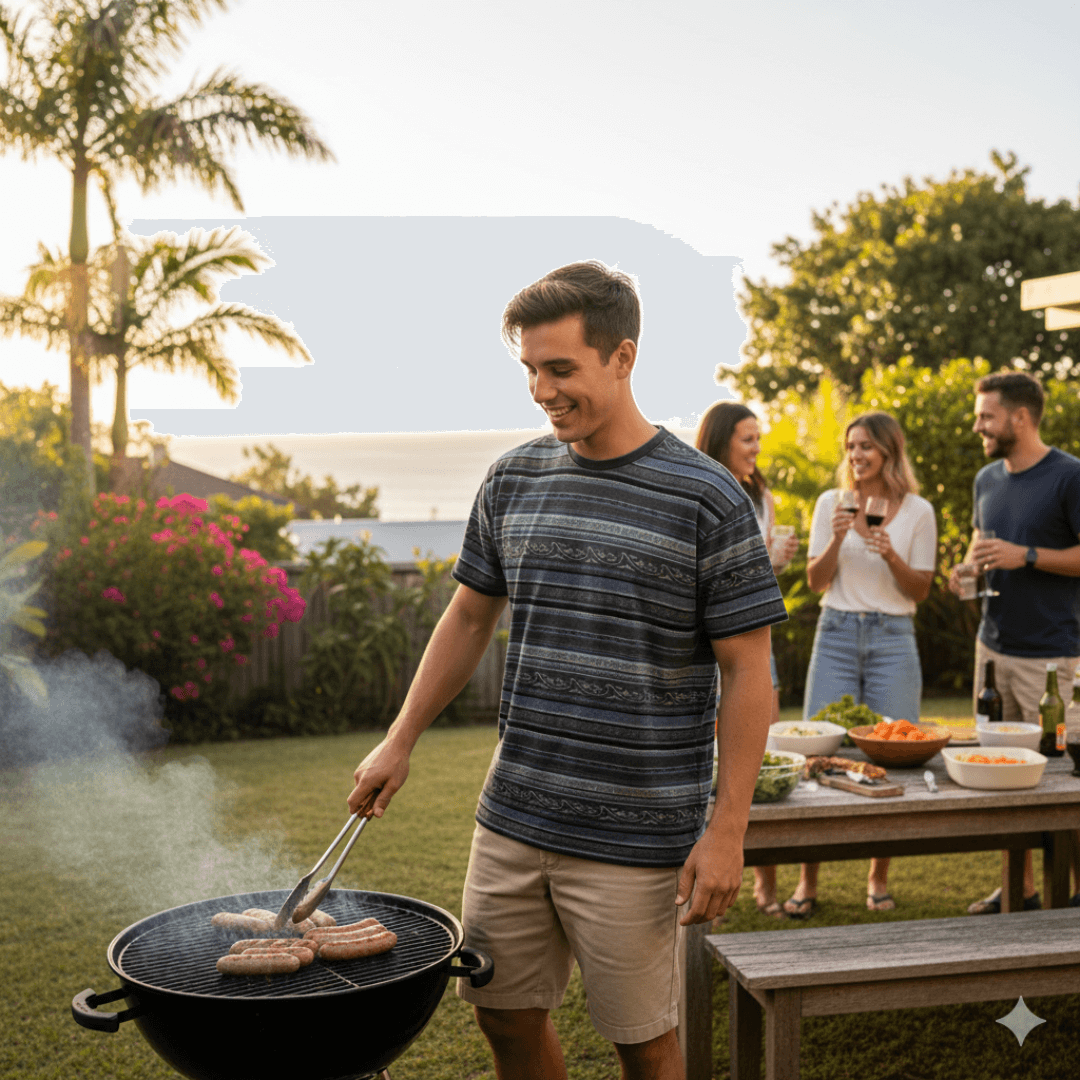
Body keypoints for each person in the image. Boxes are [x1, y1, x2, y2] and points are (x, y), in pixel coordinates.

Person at [347, 261, 789, 1080]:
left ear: (621, 358)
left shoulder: (707, 497)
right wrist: (399, 739)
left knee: (644, 1045)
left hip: (637, 834)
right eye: (529, 370)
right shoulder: (513, 479)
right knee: (503, 1019)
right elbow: (469, 616)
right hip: (514, 813)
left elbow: (750, 670)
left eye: (560, 369)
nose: (542, 391)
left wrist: (728, 830)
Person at [784, 412, 937, 917]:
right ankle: (808, 881)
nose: (856, 456)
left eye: (866, 447)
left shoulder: (918, 511)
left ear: (889, 452)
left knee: (893, 751)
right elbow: (815, 580)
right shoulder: (832, 503)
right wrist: (835, 536)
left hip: (893, 636)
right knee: (819, 748)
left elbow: (920, 589)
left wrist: (890, 554)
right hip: (837, 633)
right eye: (850, 447)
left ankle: (877, 877)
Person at [947, 370, 1080, 914]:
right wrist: (966, 576)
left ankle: (1075, 892)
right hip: (993, 650)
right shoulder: (986, 480)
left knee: (1062, 778)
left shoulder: (1069, 476)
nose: (977, 424)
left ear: (1019, 418)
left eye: (986, 415)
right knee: (1003, 773)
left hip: (1050, 658)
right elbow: (983, 551)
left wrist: (1025, 555)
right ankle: (1019, 887)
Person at [695, 401, 799, 918]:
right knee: (708, 760)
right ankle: (699, 866)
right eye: (748, 439)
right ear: (721, 442)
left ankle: (764, 884)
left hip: (752, 646)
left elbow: (754, 586)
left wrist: (774, 562)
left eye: (759, 438)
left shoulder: (763, 497)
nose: (757, 449)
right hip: (705, 652)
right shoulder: (701, 491)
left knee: (759, 761)